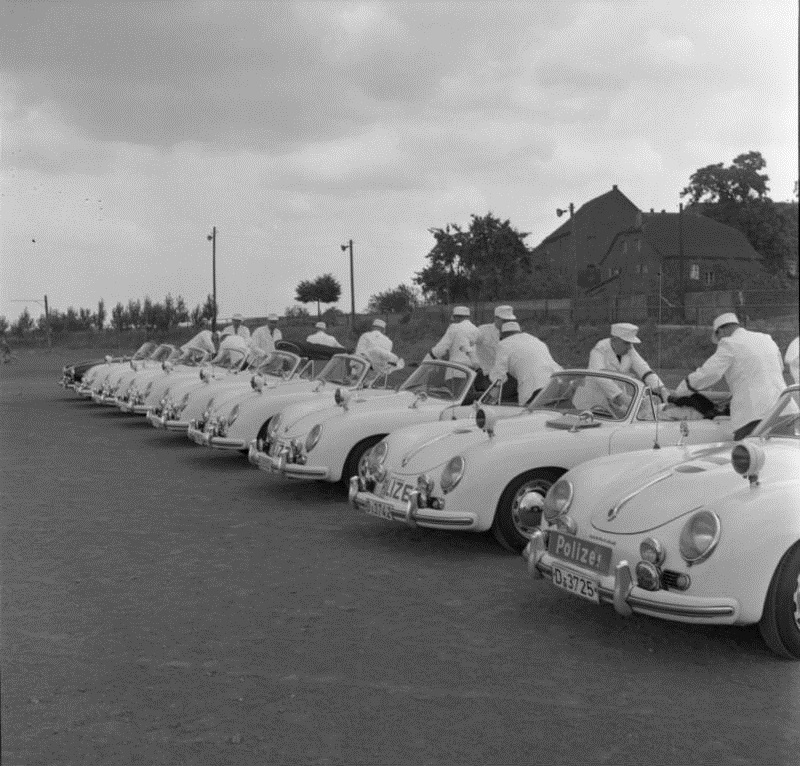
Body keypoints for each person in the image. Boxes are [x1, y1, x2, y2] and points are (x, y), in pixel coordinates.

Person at [672, 312, 786, 440]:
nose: (719, 342)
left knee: (747, 457)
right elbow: (778, 369)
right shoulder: (766, 338)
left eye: (718, 337)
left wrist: (681, 390)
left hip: (754, 416)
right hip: (784, 412)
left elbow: (709, 373)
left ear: (720, 331)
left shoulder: (729, 343)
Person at [585, 323, 669, 409]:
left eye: (631, 343)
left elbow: (644, 370)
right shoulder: (599, 349)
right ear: (614, 340)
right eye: (626, 343)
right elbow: (600, 376)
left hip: (618, 402)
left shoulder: (629, 349)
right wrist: (622, 397)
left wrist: (662, 389)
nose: (629, 347)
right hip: (595, 401)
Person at [489, 321, 562, 406]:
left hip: (534, 389)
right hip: (559, 382)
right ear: (519, 331)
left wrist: (490, 400)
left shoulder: (504, 344)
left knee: (528, 417)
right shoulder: (535, 340)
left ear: (501, 335)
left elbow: (498, 378)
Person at [466, 305, 516, 387]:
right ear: (496, 319)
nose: (508, 323)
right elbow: (466, 344)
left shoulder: (513, 332)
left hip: (509, 376)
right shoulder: (483, 330)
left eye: (510, 320)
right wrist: (475, 362)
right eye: (505, 320)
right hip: (487, 375)